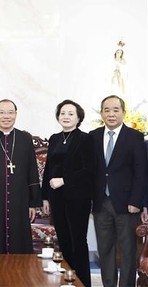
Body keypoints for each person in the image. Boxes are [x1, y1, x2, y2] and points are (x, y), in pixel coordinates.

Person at [90, 95, 148, 287]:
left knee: (128, 250)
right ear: (101, 113)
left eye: (115, 110)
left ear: (123, 112)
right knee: (105, 250)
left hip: (127, 205)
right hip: (101, 203)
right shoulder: (93, 136)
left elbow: (141, 172)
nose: (111, 114)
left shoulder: (135, 137)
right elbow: (90, 171)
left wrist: (136, 202)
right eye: (107, 110)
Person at [0, 99, 42, 254]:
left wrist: (32, 203)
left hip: (20, 202)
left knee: (20, 244)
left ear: (16, 115)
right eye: (2, 112)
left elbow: (32, 171)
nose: (6, 116)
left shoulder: (25, 139)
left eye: (10, 112)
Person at [42, 100, 95, 287]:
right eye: (63, 113)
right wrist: (45, 197)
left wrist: (65, 180)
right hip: (57, 198)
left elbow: (89, 170)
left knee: (77, 242)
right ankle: (67, 280)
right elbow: (49, 168)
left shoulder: (86, 139)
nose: (66, 116)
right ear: (58, 117)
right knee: (63, 240)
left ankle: (82, 282)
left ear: (78, 117)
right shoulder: (55, 138)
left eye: (71, 113)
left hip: (78, 198)